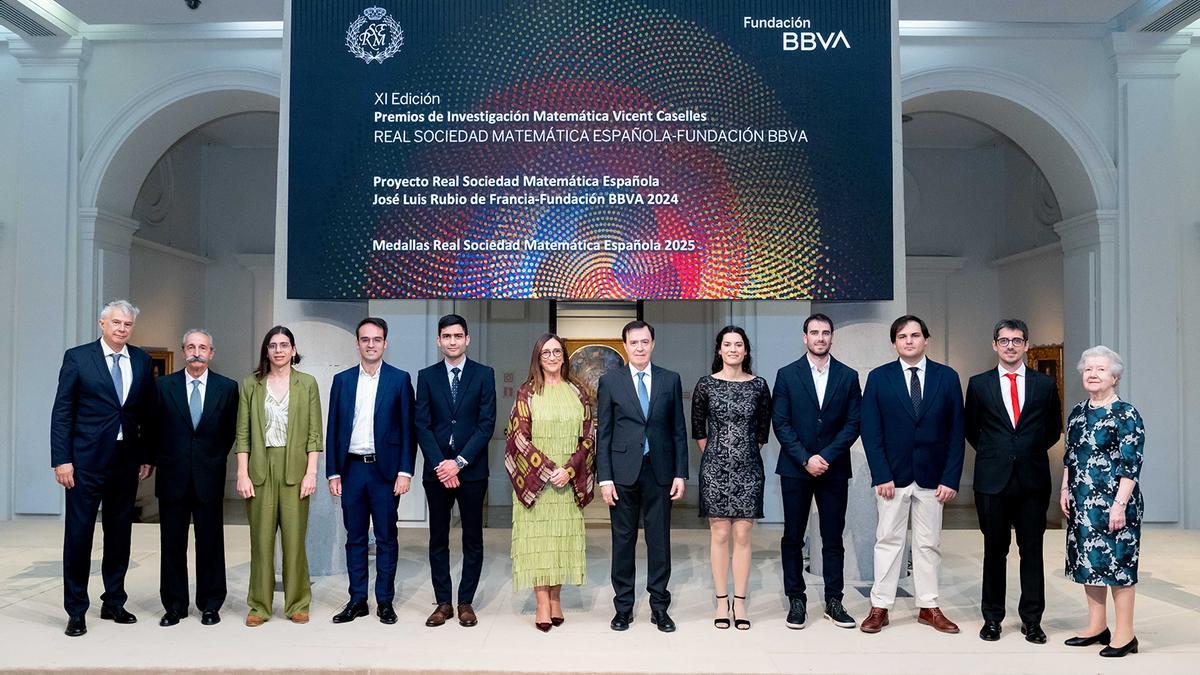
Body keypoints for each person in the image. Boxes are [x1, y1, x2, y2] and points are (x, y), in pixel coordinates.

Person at [51, 299, 156, 637]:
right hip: (84, 463)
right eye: (116, 323)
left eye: (127, 324)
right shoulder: (78, 357)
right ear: (102, 324)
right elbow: (62, 412)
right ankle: (76, 610)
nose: (122, 329)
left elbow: (147, 412)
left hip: (126, 461)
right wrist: (61, 459)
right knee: (80, 536)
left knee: (120, 534)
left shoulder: (140, 360)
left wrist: (146, 454)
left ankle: (113, 601)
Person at [859, 315, 964, 635]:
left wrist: (950, 478)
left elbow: (956, 432)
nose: (909, 340)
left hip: (934, 479)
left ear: (926, 339)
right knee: (888, 541)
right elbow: (870, 430)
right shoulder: (879, 377)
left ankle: (929, 606)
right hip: (893, 477)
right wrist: (881, 474)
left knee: (928, 543)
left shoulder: (947, 378)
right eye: (902, 336)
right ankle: (880, 606)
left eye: (915, 335)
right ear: (894, 343)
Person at [965, 319, 1062, 644]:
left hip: (1032, 481)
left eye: (1017, 340)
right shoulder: (979, 384)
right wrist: (999, 453)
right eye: (1004, 340)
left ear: (1026, 345)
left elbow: (1052, 429)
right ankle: (992, 618)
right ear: (994, 345)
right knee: (994, 552)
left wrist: (1024, 452)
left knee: (1031, 552)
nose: (1010, 346)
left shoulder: (1044, 385)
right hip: (992, 481)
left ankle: (1032, 621)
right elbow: (971, 429)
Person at [597, 320, 689, 633]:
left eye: (645, 342)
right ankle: (623, 608)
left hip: (660, 472)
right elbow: (604, 434)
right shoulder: (610, 381)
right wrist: (604, 478)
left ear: (653, 344)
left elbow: (679, 430)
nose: (639, 347)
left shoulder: (670, 379)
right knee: (623, 542)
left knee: (659, 541)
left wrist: (680, 472)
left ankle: (659, 607)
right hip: (622, 474)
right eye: (634, 342)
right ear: (625, 345)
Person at [772, 313, 861, 631]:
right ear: (804, 337)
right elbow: (780, 422)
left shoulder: (848, 376)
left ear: (832, 337)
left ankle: (834, 601)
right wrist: (805, 458)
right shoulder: (786, 375)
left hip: (834, 469)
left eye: (825, 332)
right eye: (814, 332)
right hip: (796, 469)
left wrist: (826, 456)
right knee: (793, 537)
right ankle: (796, 599)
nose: (820, 338)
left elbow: (854, 423)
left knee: (833, 537)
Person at [326, 318, 416, 625]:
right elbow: (333, 428)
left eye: (377, 339)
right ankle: (357, 600)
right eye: (365, 339)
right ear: (357, 343)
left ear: (385, 343)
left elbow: (408, 430)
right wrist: (332, 472)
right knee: (354, 537)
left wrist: (405, 471)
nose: (371, 344)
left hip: (385, 472)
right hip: (351, 470)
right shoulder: (342, 380)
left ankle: (385, 602)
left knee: (387, 537)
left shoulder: (400, 379)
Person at [504, 333, 596, 631]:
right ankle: (542, 602)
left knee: (560, 541)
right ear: (538, 358)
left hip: (566, 482)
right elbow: (517, 437)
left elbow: (589, 436)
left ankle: (556, 598)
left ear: (564, 357)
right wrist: (546, 469)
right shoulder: (526, 392)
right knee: (538, 543)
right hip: (537, 482)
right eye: (547, 353)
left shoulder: (578, 391)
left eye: (557, 352)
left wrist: (568, 470)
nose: (553, 357)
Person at [234, 326, 323, 626]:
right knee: (261, 542)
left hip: (296, 469)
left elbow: (314, 434)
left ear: (294, 350)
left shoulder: (307, 384)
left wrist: (311, 472)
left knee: (295, 540)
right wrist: (242, 473)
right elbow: (242, 433)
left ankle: (297, 602)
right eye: (273, 345)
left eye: (285, 345)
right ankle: (259, 605)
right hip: (260, 467)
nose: (279, 350)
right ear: (266, 351)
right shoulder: (251, 385)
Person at [151, 329, 239, 627]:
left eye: (202, 347)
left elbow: (230, 432)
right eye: (191, 347)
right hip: (172, 476)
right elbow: (153, 429)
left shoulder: (227, 388)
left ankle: (211, 604)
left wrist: (212, 460)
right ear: (183, 350)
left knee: (210, 543)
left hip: (209, 477)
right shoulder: (163, 386)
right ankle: (174, 605)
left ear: (211, 353)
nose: (196, 352)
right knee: (172, 545)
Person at [1060, 346, 1144, 658]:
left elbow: (1131, 463)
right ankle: (1097, 626)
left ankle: (1126, 635)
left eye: (1101, 370)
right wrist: (1065, 490)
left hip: (1115, 504)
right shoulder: (1078, 411)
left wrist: (1120, 504)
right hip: (1083, 504)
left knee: (1119, 567)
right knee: (1088, 564)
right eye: (1088, 369)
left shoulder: (1125, 413)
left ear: (1115, 376)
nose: (1093, 374)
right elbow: (1071, 455)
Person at [415, 314, 496, 628]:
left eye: (458, 336)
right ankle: (443, 603)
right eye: (446, 336)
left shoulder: (483, 374)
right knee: (438, 538)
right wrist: (441, 464)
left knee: (473, 538)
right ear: (439, 340)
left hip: (471, 471)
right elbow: (421, 424)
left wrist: (459, 462)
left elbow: (486, 424)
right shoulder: (426, 376)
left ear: (467, 339)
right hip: (437, 471)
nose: (452, 341)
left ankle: (465, 602)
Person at [691, 325, 771, 630]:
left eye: (739, 344)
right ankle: (721, 601)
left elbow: (763, 430)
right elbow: (699, 431)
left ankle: (741, 601)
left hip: (749, 468)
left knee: (742, 535)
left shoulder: (759, 386)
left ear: (746, 350)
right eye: (728, 344)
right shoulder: (705, 385)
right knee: (720, 534)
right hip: (714, 469)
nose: (733, 349)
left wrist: (742, 453)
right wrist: (719, 455)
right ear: (719, 350)